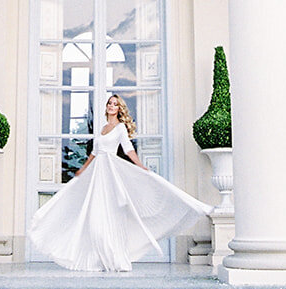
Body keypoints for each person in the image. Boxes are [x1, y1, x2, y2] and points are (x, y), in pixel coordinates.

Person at [27, 93, 213, 272]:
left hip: (110, 172)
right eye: (110, 103)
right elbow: (94, 152)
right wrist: (83, 169)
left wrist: (141, 167)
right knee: (93, 213)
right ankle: (98, 258)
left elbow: (128, 150)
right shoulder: (102, 128)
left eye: (115, 104)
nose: (112, 106)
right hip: (97, 172)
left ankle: (115, 257)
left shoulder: (120, 128)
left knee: (110, 213)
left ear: (119, 109)